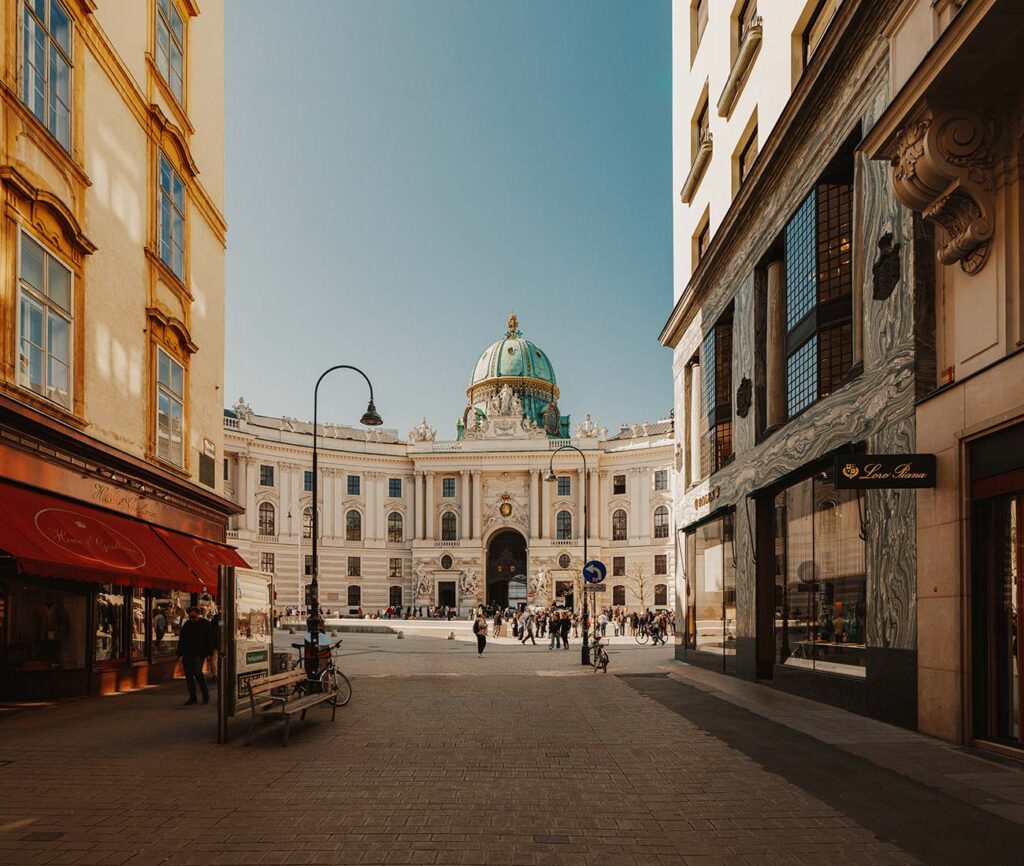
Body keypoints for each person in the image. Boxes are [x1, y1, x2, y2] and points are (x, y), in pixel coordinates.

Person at [176, 607, 213, 705]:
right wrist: (180, 654)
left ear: (198, 614)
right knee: (188, 676)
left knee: (197, 673)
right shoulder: (187, 625)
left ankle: (205, 695)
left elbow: (210, 640)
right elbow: (182, 640)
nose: (192, 619)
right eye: (190, 616)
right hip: (188, 654)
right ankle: (193, 697)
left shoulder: (205, 624)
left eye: (193, 616)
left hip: (199, 654)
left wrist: (209, 653)